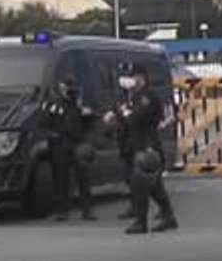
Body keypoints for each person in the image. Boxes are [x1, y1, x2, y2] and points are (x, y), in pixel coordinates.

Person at [105, 64, 177, 235]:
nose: (132, 80)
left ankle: (141, 222)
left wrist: (122, 113)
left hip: (147, 146)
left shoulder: (148, 97)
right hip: (135, 146)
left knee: (140, 185)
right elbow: (121, 114)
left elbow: (135, 118)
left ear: (142, 78)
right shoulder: (132, 97)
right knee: (154, 187)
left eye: (135, 77)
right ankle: (168, 217)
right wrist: (115, 115)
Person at [40, 77, 97, 222]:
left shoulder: (79, 102)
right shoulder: (54, 104)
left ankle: (87, 209)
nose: (68, 90)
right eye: (65, 87)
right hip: (61, 143)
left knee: (83, 176)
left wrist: (88, 115)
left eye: (70, 87)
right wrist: (52, 135)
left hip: (78, 142)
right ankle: (62, 210)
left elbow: (91, 121)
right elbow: (45, 122)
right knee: (61, 178)